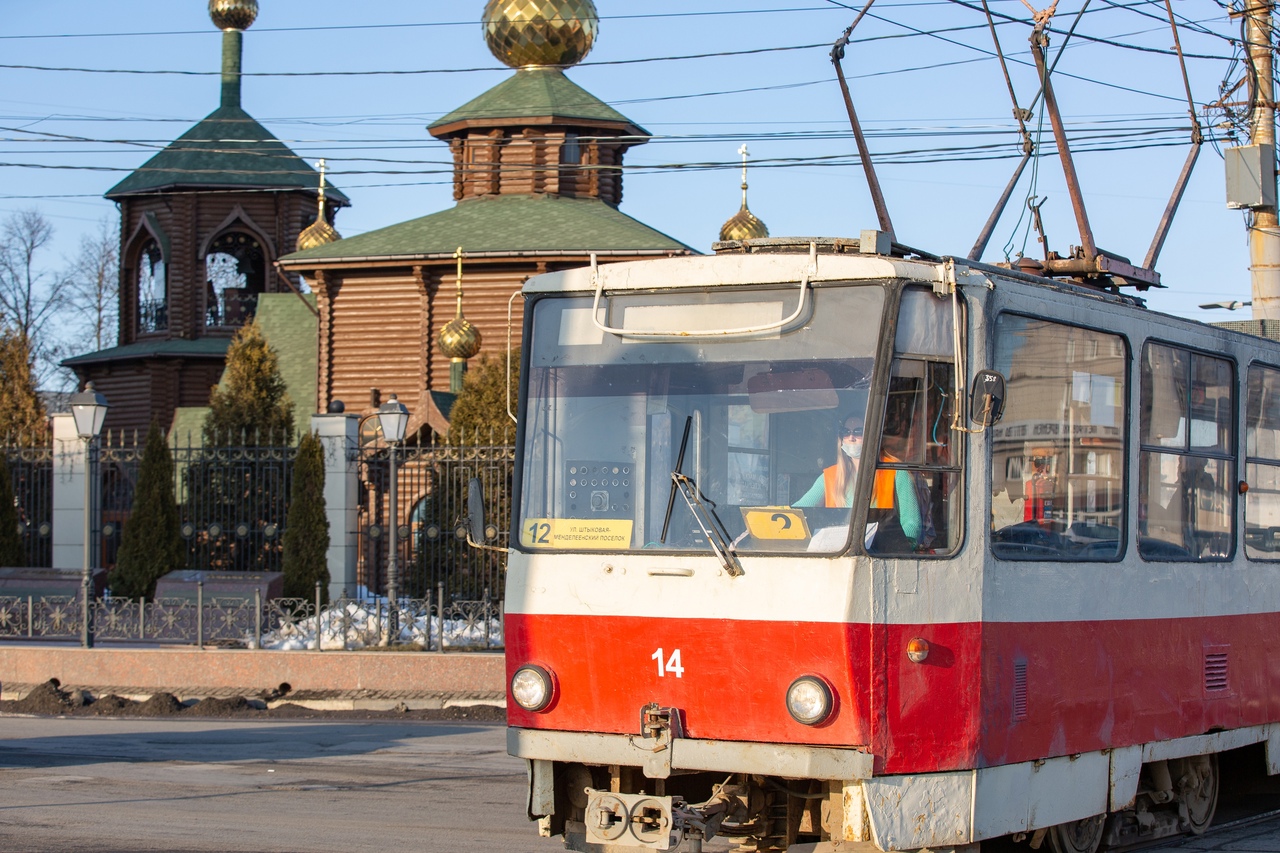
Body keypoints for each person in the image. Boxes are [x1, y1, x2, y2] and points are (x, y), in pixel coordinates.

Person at [794, 414, 864, 507]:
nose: (851, 437)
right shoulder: (830, 476)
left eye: (858, 432)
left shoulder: (887, 472)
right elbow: (798, 510)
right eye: (846, 432)